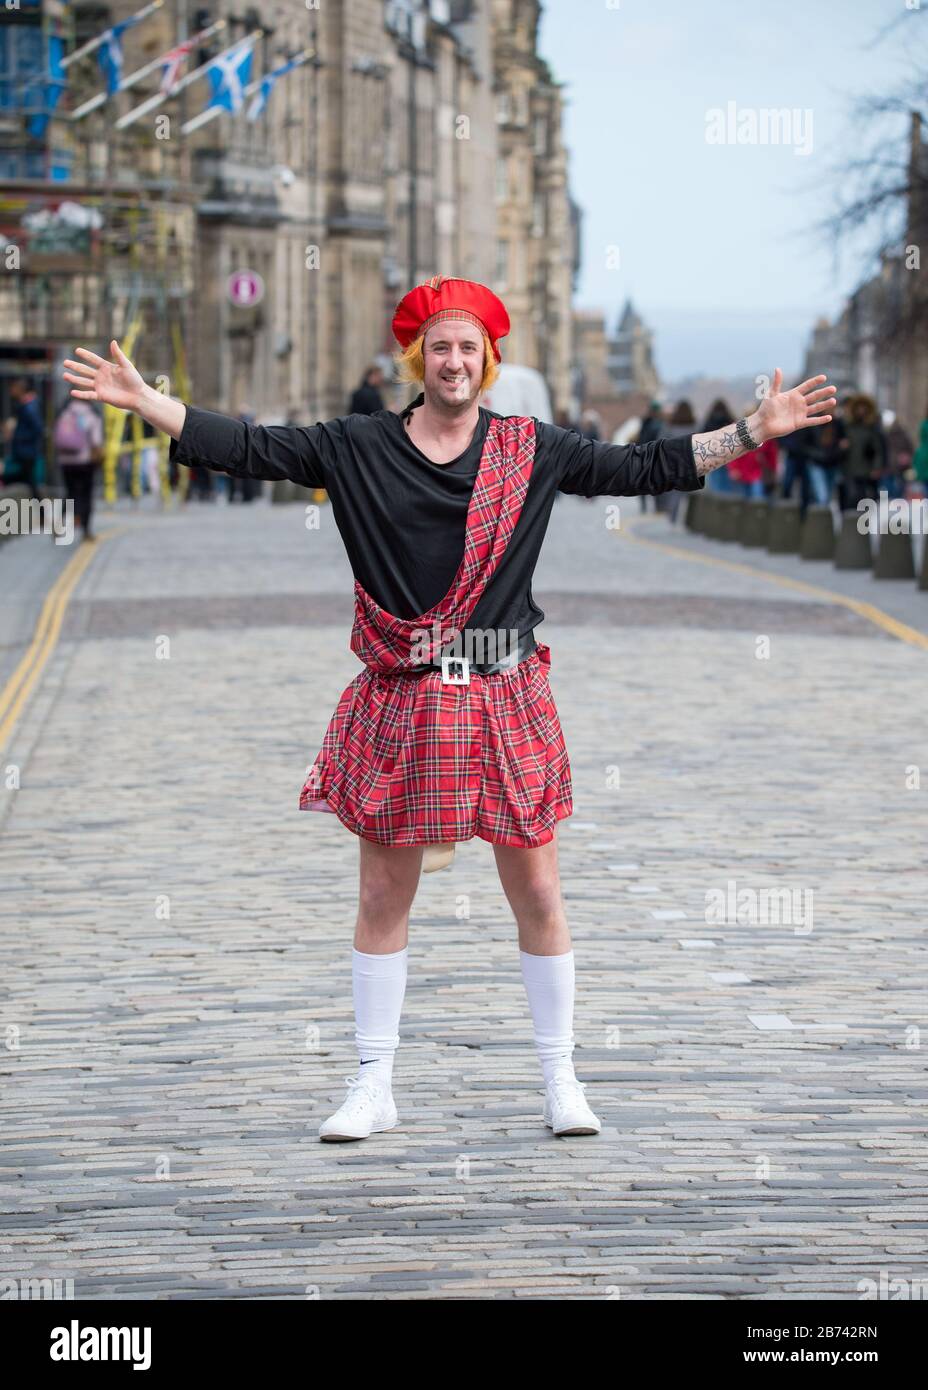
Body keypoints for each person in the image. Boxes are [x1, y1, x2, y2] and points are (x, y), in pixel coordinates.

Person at [61, 276, 837, 1143]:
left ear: (489, 360)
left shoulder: (531, 449)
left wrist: (750, 432)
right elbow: (249, 447)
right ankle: (373, 1083)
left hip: (504, 691)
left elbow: (640, 467)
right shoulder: (356, 446)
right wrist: (151, 404)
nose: (455, 361)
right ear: (417, 360)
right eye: (440, 347)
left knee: (538, 888)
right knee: (383, 889)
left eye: (469, 347)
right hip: (404, 695)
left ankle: (560, 1080)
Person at [53, 396, 103, 541]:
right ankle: (86, 530)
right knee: (86, 494)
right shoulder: (91, 414)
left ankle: (59, 526)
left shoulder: (64, 412)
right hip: (85, 461)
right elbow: (96, 441)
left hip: (66, 461)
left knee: (70, 492)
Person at [837, 393, 886, 512]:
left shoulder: (872, 427)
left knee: (865, 499)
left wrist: (877, 467)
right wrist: (841, 447)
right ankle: (850, 523)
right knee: (850, 497)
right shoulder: (847, 426)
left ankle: (863, 524)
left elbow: (878, 449)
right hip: (849, 467)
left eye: (864, 407)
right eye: (859, 407)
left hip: (866, 469)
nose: (861, 410)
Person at [728, 402, 777, 499]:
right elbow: (732, 452)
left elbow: (771, 453)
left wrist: (773, 469)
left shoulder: (765, 431)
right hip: (743, 472)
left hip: (757, 472)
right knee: (742, 499)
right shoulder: (738, 432)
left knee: (757, 498)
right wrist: (733, 469)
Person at [8, 376, 44, 499]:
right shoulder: (26, 405)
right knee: (27, 480)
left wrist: (17, 436)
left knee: (27, 480)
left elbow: (37, 429)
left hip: (27, 451)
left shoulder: (29, 407)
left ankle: (42, 511)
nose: (11, 391)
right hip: (25, 450)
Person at [663, 399, 696, 523]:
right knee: (690, 493)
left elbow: (661, 444)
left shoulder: (670, 427)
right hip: (692, 464)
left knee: (674, 492)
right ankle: (688, 519)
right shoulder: (695, 426)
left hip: (674, 464)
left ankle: (672, 516)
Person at [635, 400, 665, 512]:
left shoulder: (648, 422)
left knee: (646, 481)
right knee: (655, 482)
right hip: (652, 455)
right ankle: (655, 506)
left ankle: (649, 506)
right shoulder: (658, 423)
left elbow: (641, 438)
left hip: (647, 454)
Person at [700, 399, 734, 492]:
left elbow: (702, 436)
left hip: (712, 454)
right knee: (725, 479)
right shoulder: (729, 420)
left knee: (714, 478)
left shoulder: (709, 420)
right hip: (727, 454)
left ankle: (716, 496)